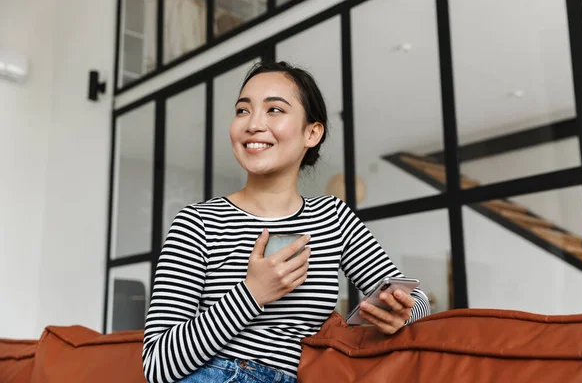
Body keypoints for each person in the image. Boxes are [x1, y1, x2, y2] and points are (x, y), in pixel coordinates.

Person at [142, 61, 431, 383]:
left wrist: (400, 314)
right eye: (242, 110)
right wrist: (252, 293)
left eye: (274, 110)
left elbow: (415, 298)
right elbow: (157, 365)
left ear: (312, 132)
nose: (253, 124)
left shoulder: (333, 217)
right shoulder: (197, 222)